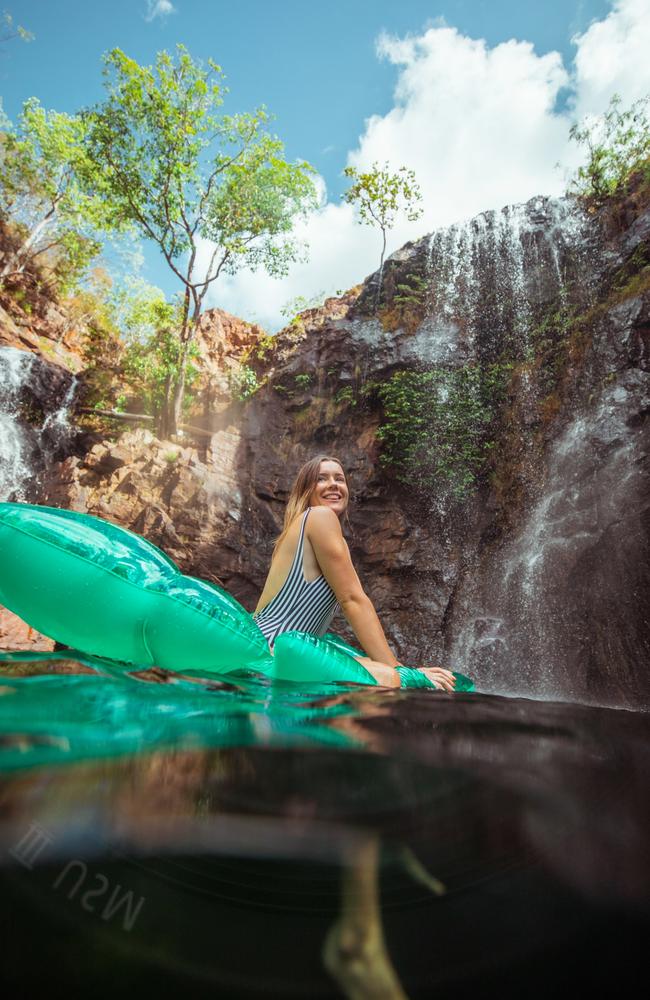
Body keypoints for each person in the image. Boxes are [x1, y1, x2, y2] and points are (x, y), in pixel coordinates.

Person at [253, 454, 456, 691]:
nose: (333, 484)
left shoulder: (307, 525)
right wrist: (401, 673)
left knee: (377, 668)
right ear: (306, 490)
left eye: (339, 478)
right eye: (322, 479)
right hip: (273, 650)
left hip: (277, 647)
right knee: (386, 679)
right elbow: (352, 600)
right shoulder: (320, 517)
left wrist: (399, 667)